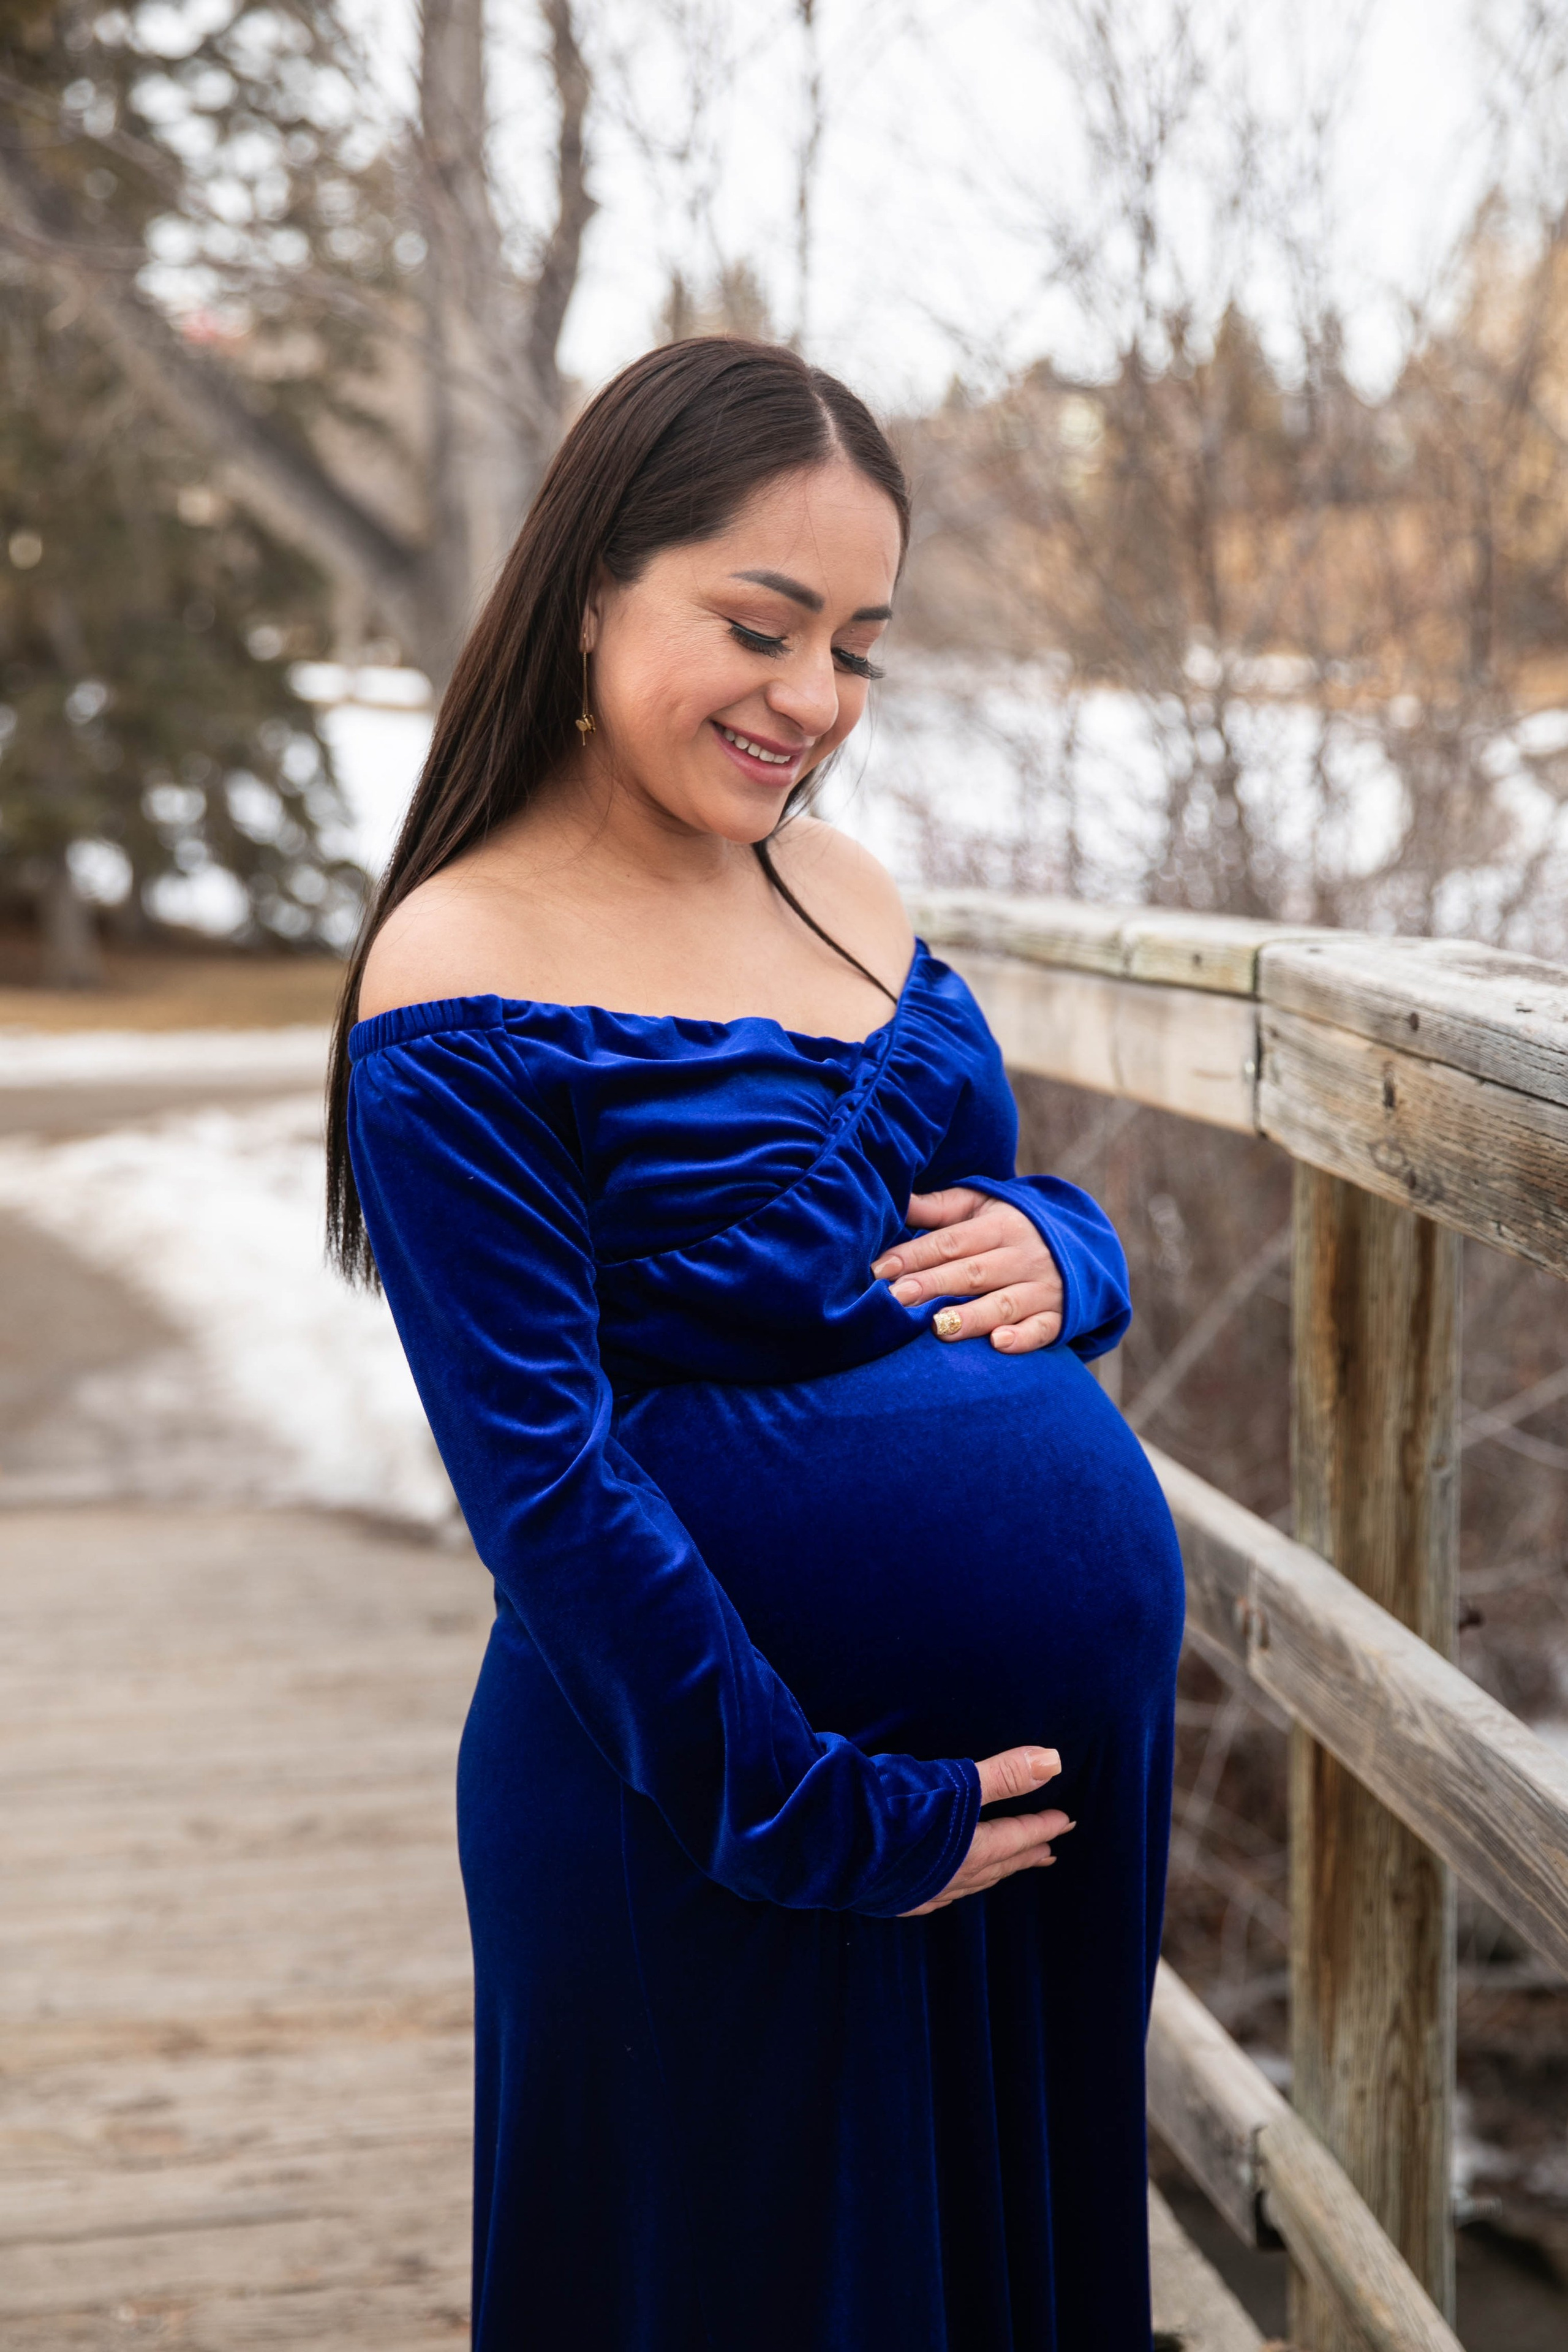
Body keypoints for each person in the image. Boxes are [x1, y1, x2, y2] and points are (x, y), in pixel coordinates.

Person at [326, 337, 1185, 2351]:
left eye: (860, 648)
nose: (813, 701)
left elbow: (960, 1217)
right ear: (597, 583)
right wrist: (826, 1823)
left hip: (1033, 1817)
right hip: (728, 1814)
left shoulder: (846, 890)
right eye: (761, 623)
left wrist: (1074, 1249)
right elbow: (543, 1481)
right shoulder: (461, 961)